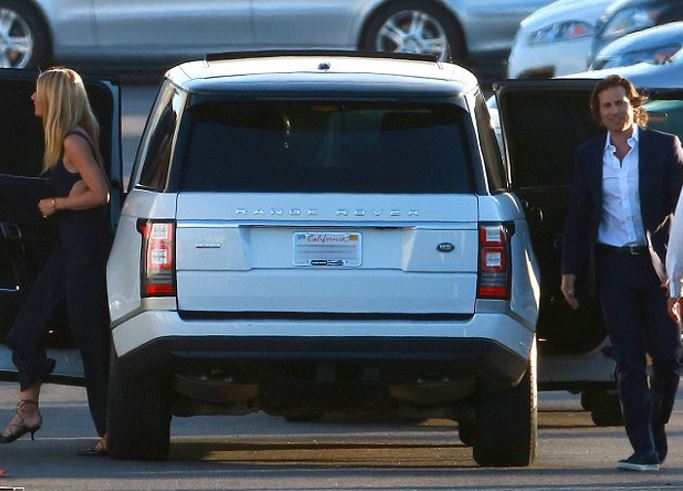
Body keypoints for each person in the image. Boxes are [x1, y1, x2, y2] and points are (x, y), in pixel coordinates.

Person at [560, 75, 683, 472]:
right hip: (613, 267)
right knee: (629, 359)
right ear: (598, 114)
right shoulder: (588, 155)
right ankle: (643, 448)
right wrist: (569, 270)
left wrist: (678, 269)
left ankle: (654, 425)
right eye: (607, 106)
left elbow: (681, 212)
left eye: (620, 103)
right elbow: (580, 215)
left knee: (667, 358)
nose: (615, 111)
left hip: (658, 267)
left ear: (634, 104)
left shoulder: (665, 147)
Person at [0, 68, 112, 456]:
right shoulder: (68, 138)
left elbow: (101, 193)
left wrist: (58, 203)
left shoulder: (73, 140)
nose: (32, 98)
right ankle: (28, 410)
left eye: (38, 93)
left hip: (84, 254)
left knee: (91, 340)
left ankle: (110, 430)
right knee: (25, 329)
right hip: (67, 250)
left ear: (54, 100)